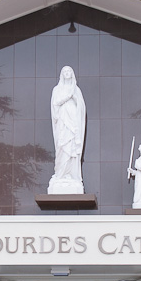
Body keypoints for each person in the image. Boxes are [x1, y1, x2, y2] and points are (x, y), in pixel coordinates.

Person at [48, 65, 86, 194]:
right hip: (62, 122)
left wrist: (74, 97)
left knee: (71, 148)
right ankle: (61, 174)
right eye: (65, 71)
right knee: (62, 146)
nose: (67, 73)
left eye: (69, 71)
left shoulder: (76, 90)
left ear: (72, 73)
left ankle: (70, 174)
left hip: (73, 122)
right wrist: (67, 97)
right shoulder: (57, 89)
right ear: (61, 75)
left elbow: (81, 107)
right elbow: (55, 104)